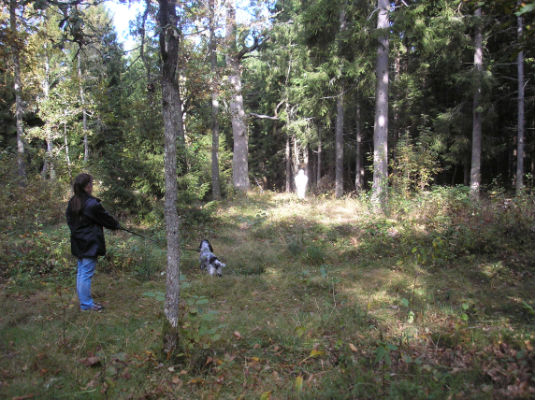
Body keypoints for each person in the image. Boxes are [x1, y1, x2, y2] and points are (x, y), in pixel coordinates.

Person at [66, 173, 120, 311]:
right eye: (92, 183)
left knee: (82, 272)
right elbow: (105, 218)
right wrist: (116, 225)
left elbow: (71, 223)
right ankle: (86, 305)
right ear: (87, 186)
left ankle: (85, 302)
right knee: (85, 273)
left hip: (79, 242)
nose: (93, 186)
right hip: (89, 243)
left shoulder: (73, 201)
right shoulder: (91, 204)